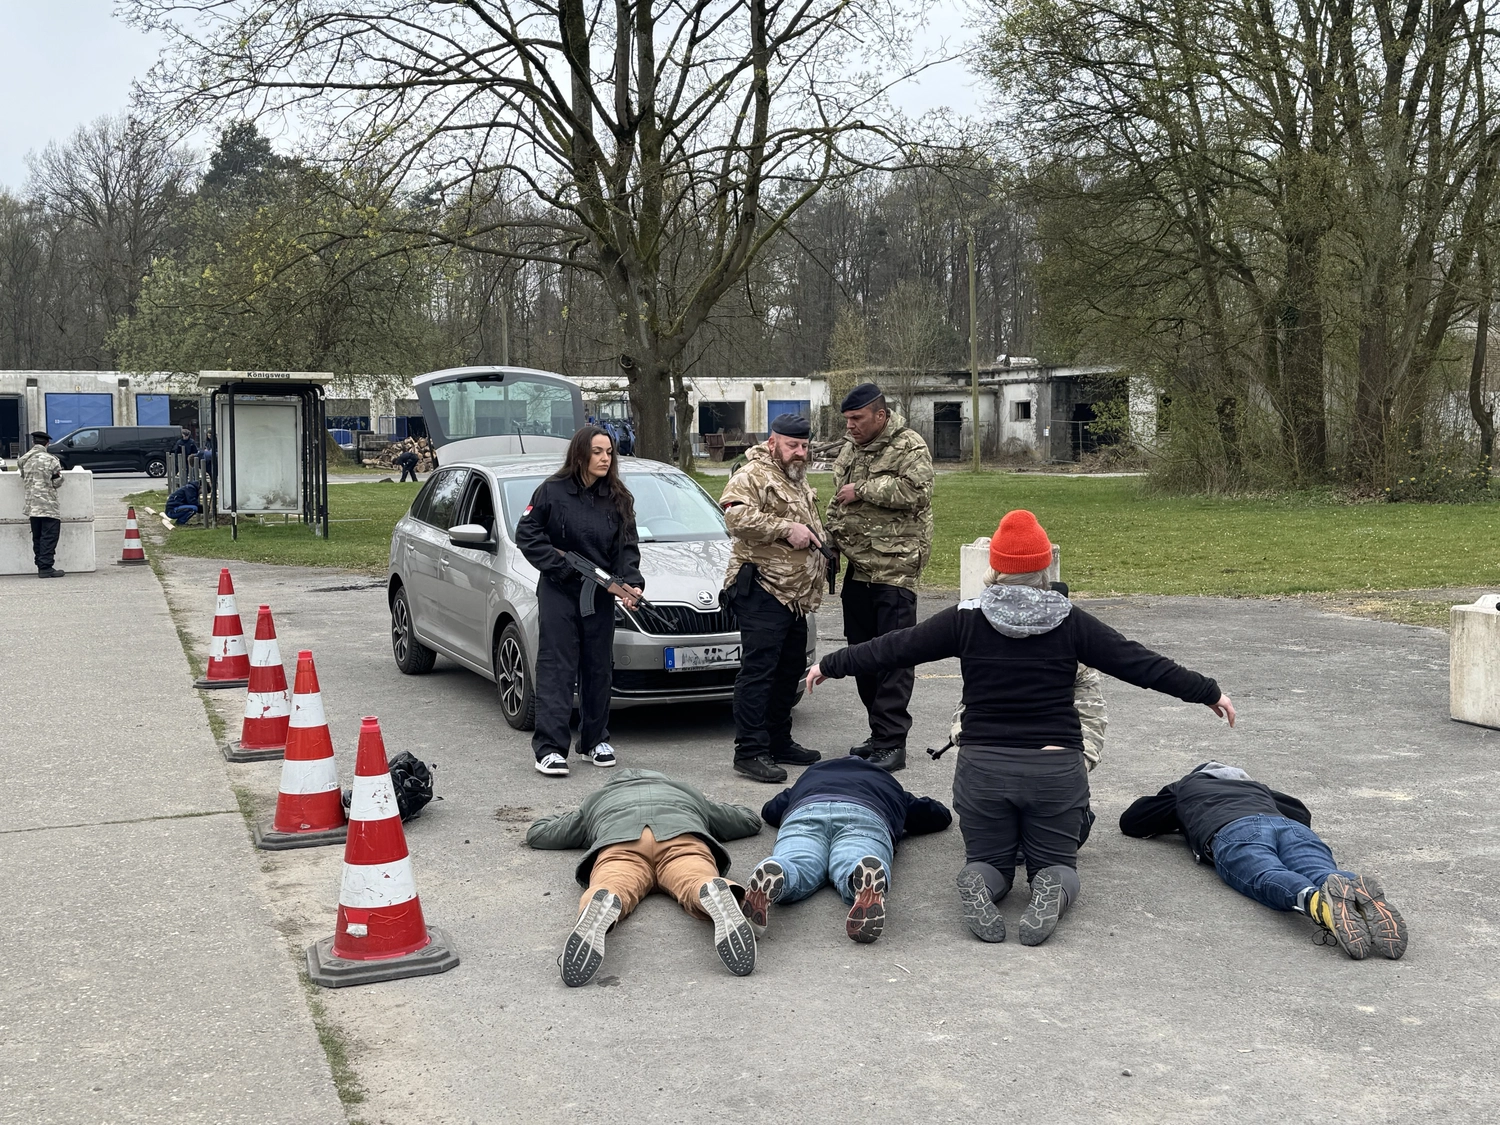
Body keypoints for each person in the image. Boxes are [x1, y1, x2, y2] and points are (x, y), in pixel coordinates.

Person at [806, 508, 1234, 947]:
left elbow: (894, 647)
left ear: (996, 566)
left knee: (989, 860)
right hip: (1055, 771)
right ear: (1046, 564)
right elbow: (1141, 663)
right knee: (1055, 865)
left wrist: (832, 663)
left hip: (983, 770)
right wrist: (1207, 691)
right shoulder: (1072, 621)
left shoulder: (965, 618)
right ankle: (1049, 884)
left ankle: (982, 881)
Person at [1119, 762, 1408, 960]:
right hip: (1289, 827)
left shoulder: (1186, 787)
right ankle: (1355, 892)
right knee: (1322, 871)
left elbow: (1133, 821)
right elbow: (1300, 811)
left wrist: (1181, 816)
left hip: (1232, 829)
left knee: (1266, 873)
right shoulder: (1258, 788)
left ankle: (1319, 906)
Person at [526, 769, 762, 986]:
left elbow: (540, 833)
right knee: (694, 877)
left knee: (614, 882)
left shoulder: (597, 800)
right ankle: (713, 889)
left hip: (620, 843)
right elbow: (749, 820)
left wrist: (584, 817)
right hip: (681, 838)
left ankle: (603, 898)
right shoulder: (685, 792)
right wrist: (703, 810)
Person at [515, 425, 644, 777]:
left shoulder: (618, 497)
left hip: (599, 594)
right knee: (557, 667)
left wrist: (631, 583)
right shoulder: (551, 492)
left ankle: (594, 740)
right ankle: (550, 749)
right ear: (581, 454)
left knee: (598, 665)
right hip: (559, 590)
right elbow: (527, 533)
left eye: (609, 452)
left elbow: (626, 548)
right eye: (598, 452)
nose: (605, 458)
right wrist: (562, 568)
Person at [823, 382, 934, 772]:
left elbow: (917, 492)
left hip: (895, 567)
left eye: (857, 419)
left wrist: (864, 489)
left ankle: (893, 742)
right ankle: (878, 733)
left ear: (880, 416)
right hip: (859, 566)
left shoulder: (909, 445)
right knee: (862, 653)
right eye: (847, 420)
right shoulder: (852, 448)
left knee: (894, 657)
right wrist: (830, 540)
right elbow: (840, 497)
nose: (850, 426)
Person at [719, 412, 827, 783]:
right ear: (772, 443)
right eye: (792, 445)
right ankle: (749, 751)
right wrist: (786, 528)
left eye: (804, 446)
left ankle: (779, 741)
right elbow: (734, 517)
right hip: (762, 590)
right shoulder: (753, 474)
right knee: (759, 672)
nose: (799, 452)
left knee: (788, 671)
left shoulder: (795, 478)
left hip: (794, 597)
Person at [744, 756, 952, 944]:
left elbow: (770, 810)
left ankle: (779, 869)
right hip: (866, 813)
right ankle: (860, 869)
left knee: (798, 863)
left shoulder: (810, 776)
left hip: (806, 809)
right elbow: (937, 816)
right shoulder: (888, 784)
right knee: (853, 856)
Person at [18, 431, 65, 578]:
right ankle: (46, 567)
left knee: (37, 537)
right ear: (47, 443)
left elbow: (23, 477)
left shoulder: (23, 460)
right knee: (49, 536)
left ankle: (40, 564)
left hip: (32, 505)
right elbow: (57, 481)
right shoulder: (52, 460)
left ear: (33, 443)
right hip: (48, 505)